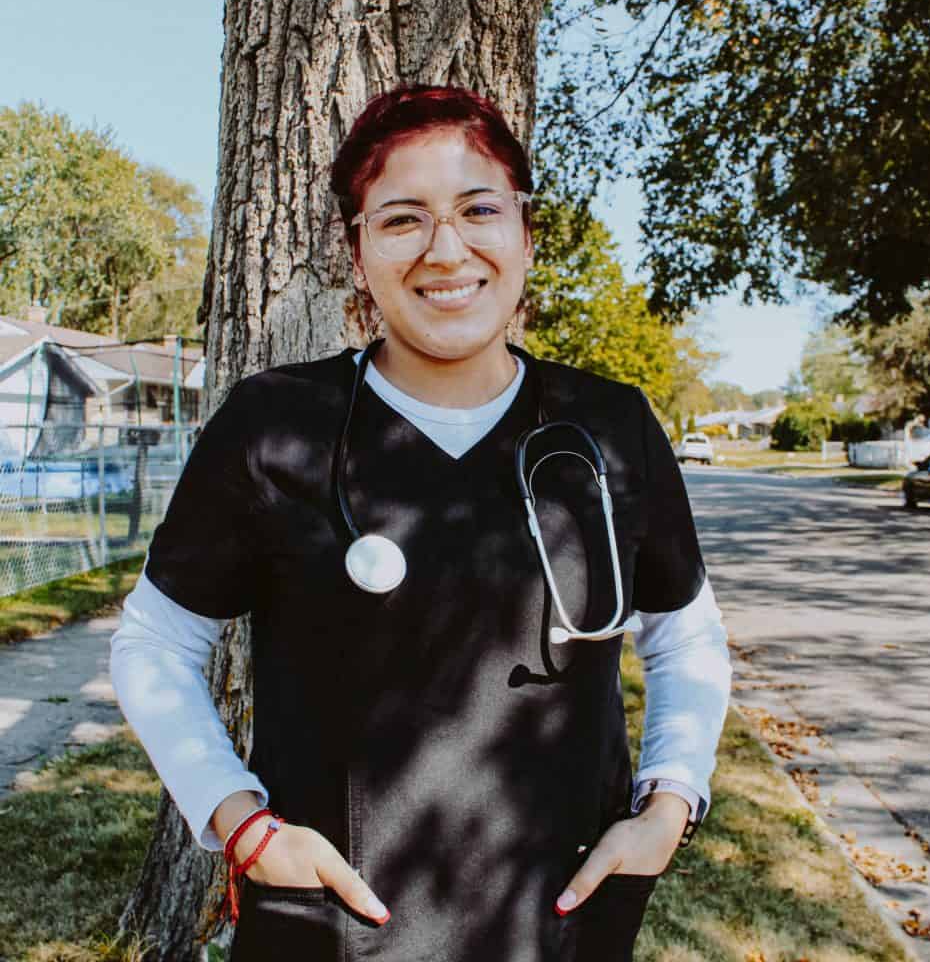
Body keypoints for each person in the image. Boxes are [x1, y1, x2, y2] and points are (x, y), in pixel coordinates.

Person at [110, 84, 732, 962]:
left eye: (480, 209)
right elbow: (154, 642)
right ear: (357, 253)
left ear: (524, 233)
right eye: (402, 219)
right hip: (333, 933)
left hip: (557, 925)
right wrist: (242, 825)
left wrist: (670, 804)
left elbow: (687, 636)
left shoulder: (609, 429)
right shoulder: (276, 427)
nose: (447, 249)